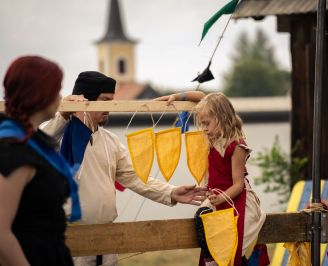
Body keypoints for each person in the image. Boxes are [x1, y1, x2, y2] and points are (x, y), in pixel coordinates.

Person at [42, 71, 207, 266]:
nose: (109, 107)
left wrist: (171, 192)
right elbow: (34, 143)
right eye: (105, 101)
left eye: (112, 101)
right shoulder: (57, 135)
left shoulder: (110, 141)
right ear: (86, 100)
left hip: (107, 237)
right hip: (70, 238)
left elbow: (136, 178)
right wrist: (63, 114)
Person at [0, 56, 74, 265]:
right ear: (40, 94)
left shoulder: (35, 143)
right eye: (57, 90)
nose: (60, 97)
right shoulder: (14, 150)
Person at [193, 92, 269, 266]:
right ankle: (210, 260)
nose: (204, 128)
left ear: (222, 118)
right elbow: (199, 96)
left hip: (236, 199)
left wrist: (221, 198)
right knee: (201, 217)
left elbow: (238, 184)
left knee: (234, 243)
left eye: (207, 123)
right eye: (202, 124)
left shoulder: (236, 146)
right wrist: (177, 97)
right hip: (216, 198)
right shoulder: (212, 140)